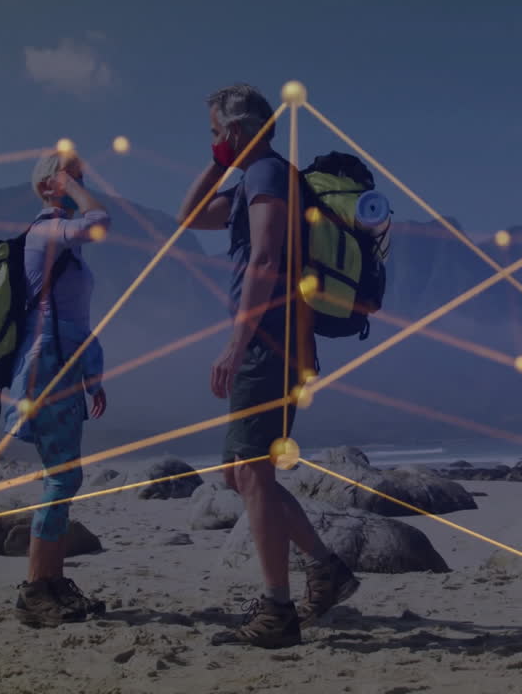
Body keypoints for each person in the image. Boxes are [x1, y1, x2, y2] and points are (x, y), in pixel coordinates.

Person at [177, 83, 359, 648]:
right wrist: (218, 162)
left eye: (215, 132)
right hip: (271, 340)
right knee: (240, 474)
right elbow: (189, 218)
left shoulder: (268, 175)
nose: (212, 142)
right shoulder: (253, 177)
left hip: (268, 342)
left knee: (252, 472)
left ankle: (278, 610)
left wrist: (236, 343)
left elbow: (264, 257)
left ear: (236, 130)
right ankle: (327, 570)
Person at [2, 151, 110, 628]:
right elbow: (100, 219)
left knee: (64, 478)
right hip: (43, 369)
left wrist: (93, 375)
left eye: (81, 175)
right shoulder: (45, 232)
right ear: (48, 185)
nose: (79, 182)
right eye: (70, 175)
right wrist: (73, 184)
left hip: (63, 366)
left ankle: (51, 585)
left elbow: (75, 321)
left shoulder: (63, 242)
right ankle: (35, 591)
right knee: (62, 479)